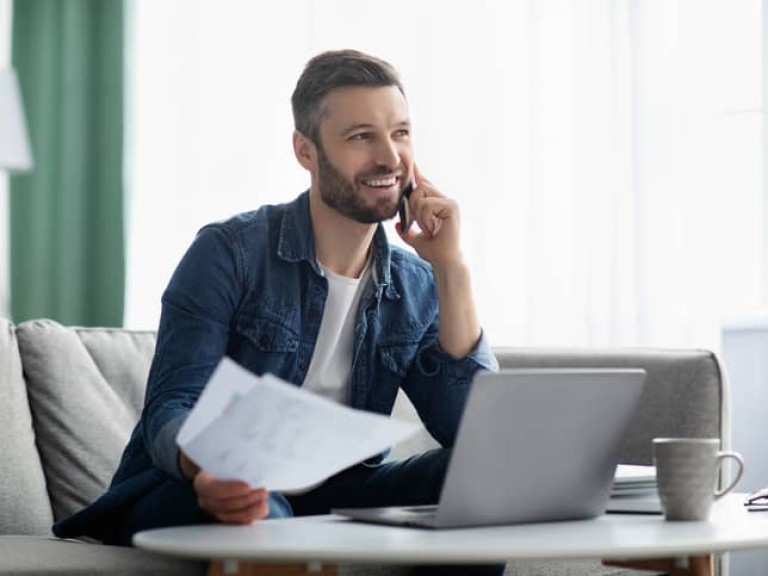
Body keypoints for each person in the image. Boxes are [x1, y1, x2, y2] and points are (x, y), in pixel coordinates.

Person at [54, 49, 500, 575]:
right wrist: (209, 468)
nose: (390, 157)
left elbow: (473, 435)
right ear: (305, 151)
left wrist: (452, 270)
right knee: (262, 508)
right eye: (361, 136)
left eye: (400, 133)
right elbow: (172, 407)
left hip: (340, 492)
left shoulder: (416, 283)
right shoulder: (229, 253)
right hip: (201, 487)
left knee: (483, 477)